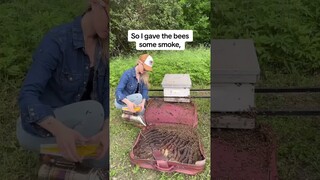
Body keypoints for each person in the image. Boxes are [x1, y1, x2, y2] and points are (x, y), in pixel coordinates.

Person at [16, 0, 109, 169]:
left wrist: (106, 133)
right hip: (42, 127)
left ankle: (60, 161)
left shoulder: (105, 48)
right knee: (94, 111)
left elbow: (106, 97)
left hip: (84, 126)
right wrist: (59, 130)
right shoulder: (58, 40)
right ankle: (64, 159)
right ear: (95, 4)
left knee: (109, 157)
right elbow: (27, 96)